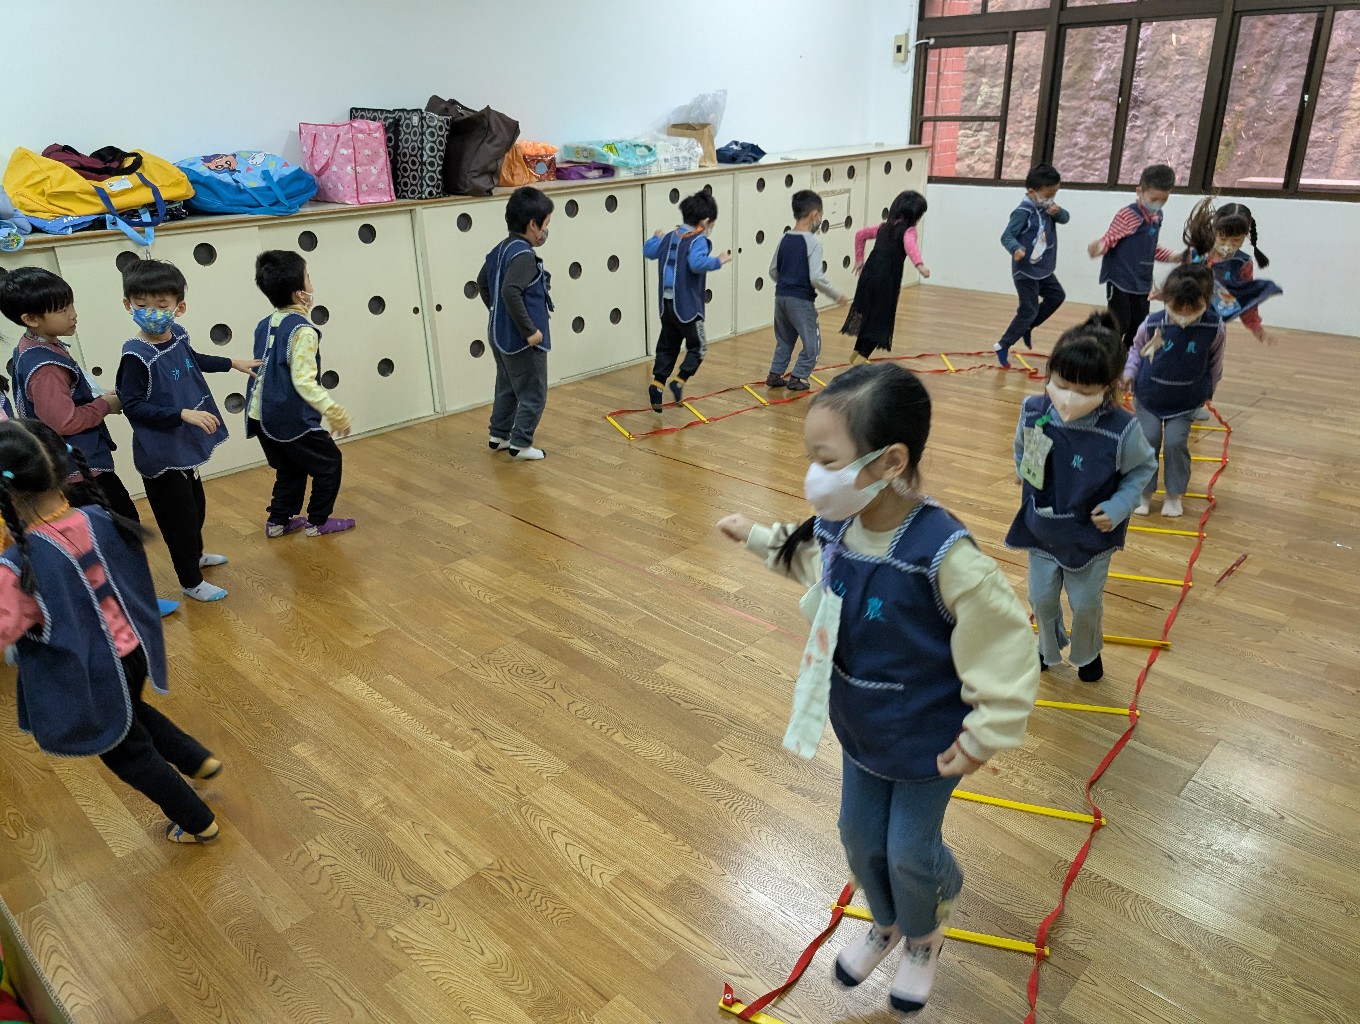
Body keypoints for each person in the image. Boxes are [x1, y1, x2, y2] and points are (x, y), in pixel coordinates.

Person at [716, 363, 1038, 1013]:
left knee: (910, 852)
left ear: (891, 461)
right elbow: (809, 559)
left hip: (929, 739)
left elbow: (1006, 645)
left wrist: (985, 735)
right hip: (863, 726)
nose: (813, 475)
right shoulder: (839, 524)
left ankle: (923, 935)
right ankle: (887, 923)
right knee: (860, 840)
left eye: (826, 459)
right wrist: (754, 537)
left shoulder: (944, 554)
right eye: (811, 457)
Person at [0, 418, 221, 844]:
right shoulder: (98, 516)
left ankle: (197, 822)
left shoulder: (17, 567)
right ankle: (197, 759)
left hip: (92, 670)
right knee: (129, 712)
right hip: (133, 650)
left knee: (126, 752)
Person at [0, 266, 178, 616]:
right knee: (116, 534)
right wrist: (106, 405)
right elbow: (62, 421)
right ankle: (131, 603)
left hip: (72, 466)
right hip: (79, 470)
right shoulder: (46, 366)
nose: (73, 314)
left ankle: (122, 600)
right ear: (31, 318)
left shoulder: (32, 346)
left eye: (71, 304)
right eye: (62, 309)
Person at [1005, 312, 1157, 684]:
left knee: (1085, 603)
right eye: (1062, 384)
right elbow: (1022, 447)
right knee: (1041, 598)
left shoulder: (1122, 429)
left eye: (1085, 391)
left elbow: (1143, 469)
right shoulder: (1034, 411)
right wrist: (1024, 469)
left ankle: (1088, 652)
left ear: (1109, 387)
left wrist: (1120, 506)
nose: (1070, 396)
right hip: (1042, 526)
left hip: (1091, 536)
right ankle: (1047, 647)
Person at [116, 260, 260, 602]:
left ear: (179, 307)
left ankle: (195, 555)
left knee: (195, 507)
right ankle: (190, 580)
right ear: (128, 305)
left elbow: (193, 359)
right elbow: (132, 405)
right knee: (178, 520)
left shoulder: (178, 335)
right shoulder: (135, 356)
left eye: (161, 305)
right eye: (142, 305)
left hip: (183, 444)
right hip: (161, 453)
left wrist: (231, 363)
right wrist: (181, 414)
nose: (152, 312)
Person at [249, 251, 355, 537]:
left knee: (290, 467)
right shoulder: (303, 331)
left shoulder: (264, 324)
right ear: (299, 293)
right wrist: (334, 411)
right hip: (286, 416)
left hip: (259, 414)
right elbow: (304, 381)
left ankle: (277, 523)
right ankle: (318, 521)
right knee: (329, 462)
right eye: (308, 278)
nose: (311, 284)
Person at [1122, 265, 1225, 519]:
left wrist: (1208, 391)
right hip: (1149, 396)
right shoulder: (1153, 323)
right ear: (1167, 300)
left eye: (1192, 309)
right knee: (1147, 440)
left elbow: (1216, 363)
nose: (1184, 315)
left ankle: (1173, 494)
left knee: (1175, 443)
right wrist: (1128, 373)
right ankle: (1143, 493)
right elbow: (1136, 350)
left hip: (1185, 401)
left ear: (1204, 301)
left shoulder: (1214, 327)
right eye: (1179, 308)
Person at [478, 186, 555, 460]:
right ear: (533, 225)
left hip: (498, 334)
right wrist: (529, 330)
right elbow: (510, 291)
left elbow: (482, 282)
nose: (546, 231)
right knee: (534, 392)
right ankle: (521, 443)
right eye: (545, 225)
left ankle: (499, 434)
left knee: (507, 386)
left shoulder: (501, 249)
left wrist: (495, 310)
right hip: (522, 340)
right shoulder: (524, 256)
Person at [642, 190, 732, 411]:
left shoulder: (669, 236)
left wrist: (655, 237)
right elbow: (696, 263)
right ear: (705, 221)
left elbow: (649, 251)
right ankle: (679, 380)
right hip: (687, 306)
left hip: (666, 306)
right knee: (698, 346)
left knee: (668, 346)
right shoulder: (698, 240)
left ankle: (657, 385)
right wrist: (718, 260)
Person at [1087, 164, 1179, 353]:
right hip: (1120, 279)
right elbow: (1110, 238)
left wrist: (1175, 257)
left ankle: (1127, 358)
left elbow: (1151, 248)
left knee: (1138, 324)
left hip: (1141, 282)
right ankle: (1103, 353)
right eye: (1154, 199)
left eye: (1164, 199)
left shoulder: (1157, 216)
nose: (1158, 203)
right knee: (1120, 321)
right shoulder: (1128, 215)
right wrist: (1099, 248)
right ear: (1139, 192)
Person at [765, 190, 849, 392]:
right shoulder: (814, 242)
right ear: (815, 215)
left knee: (784, 340)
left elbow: (773, 270)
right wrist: (836, 295)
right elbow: (816, 277)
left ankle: (775, 374)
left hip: (780, 298)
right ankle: (798, 377)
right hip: (801, 301)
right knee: (812, 344)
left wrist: (786, 284)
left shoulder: (785, 238)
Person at [842, 190, 929, 364]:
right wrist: (920, 265)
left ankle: (856, 353)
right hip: (887, 280)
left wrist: (859, 259)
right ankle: (861, 358)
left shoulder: (883, 227)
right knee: (880, 320)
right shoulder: (909, 231)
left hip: (868, 276)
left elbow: (860, 234)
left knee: (869, 316)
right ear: (915, 216)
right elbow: (910, 246)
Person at [1181, 198, 1281, 346]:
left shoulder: (1242, 263)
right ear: (1214, 230)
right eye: (1223, 238)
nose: (1228, 244)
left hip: (1214, 325)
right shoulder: (1196, 254)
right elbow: (1177, 285)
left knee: (1208, 356)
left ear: (1246, 236)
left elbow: (1245, 298)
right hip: (1184, 319)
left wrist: (1257, 329)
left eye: (1236, 240)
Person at [996, 165, 1068, 367]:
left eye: (1055, 194)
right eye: (1048, 195)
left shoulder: (1048, 207)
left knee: (1057, 296)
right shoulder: (1022, 212)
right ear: (1031, 192)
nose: (1051, 198)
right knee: (1028, 309)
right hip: (1025, 272)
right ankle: (1003, 344)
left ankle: (1028, 326)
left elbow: (1065, 218)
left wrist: (1058, 212)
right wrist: (1016, 248)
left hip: (1043, 268)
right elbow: (1006, 236)